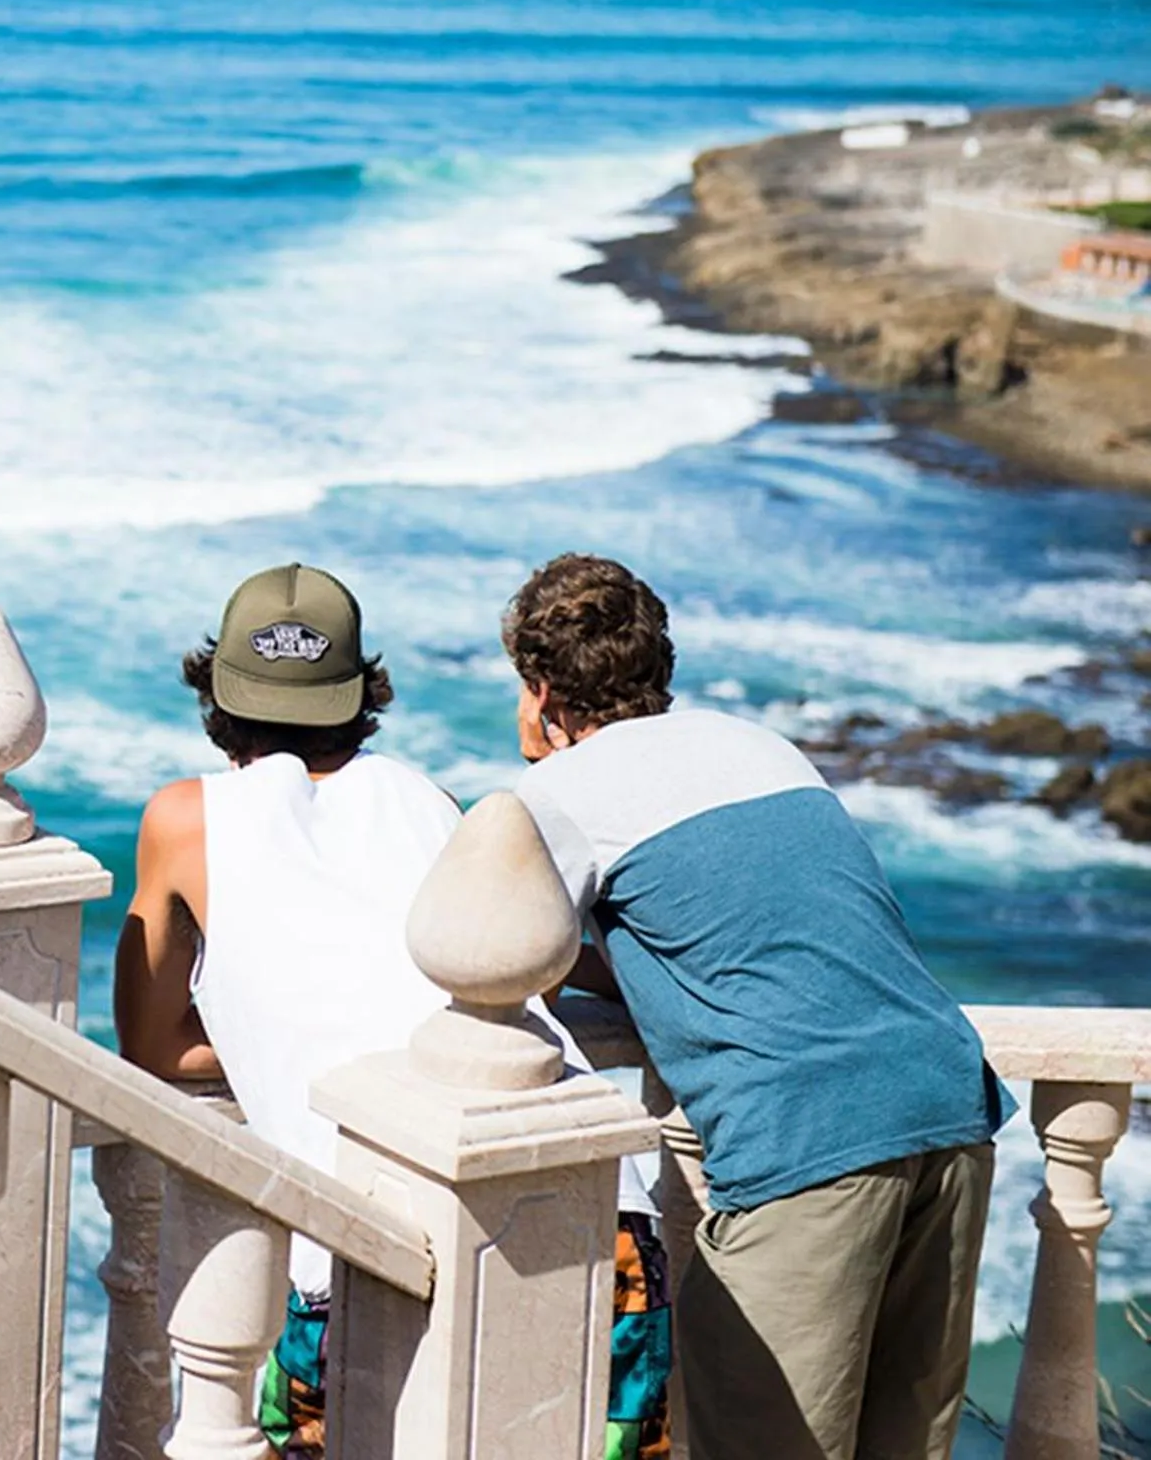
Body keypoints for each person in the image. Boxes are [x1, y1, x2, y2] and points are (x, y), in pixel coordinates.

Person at [115, 562, 665, 1459]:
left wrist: (284, 1039)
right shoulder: (431, 801)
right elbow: (538, 981)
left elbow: (151, 1048)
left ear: (216, 690)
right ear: (359, 694)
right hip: (604, 1222)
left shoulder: (183, 820)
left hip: (371, 1247)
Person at [499, 552, 1011, 1460]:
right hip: (947, 1098)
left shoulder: (556, 794)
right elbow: (743, 936)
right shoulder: (758, 747)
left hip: (808, 1135)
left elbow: (506, 961)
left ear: (540, 692)